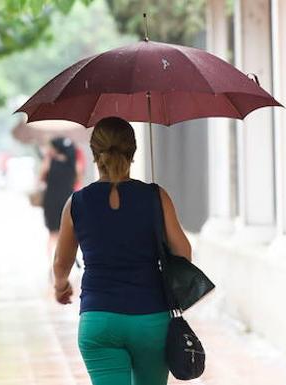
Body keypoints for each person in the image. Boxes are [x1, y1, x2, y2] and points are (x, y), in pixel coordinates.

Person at [51, 116, 192, 385]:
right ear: (133, 151)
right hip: (150, 319)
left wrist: (61, 286)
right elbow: (183, 253)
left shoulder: (77, 202)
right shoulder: (155, 196)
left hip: (99, 320)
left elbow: (61, 262)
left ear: (94, 153)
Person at [39, 137, 77, 258]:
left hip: (51, 200)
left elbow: (41, 177)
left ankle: (52, 262)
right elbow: (78, 178)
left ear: (55, 149)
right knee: (68, 233)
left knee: (52, 234)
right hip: (68, 201)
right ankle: (67, 259)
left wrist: (47, 157)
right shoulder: (72, 163)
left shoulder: (49, 162)